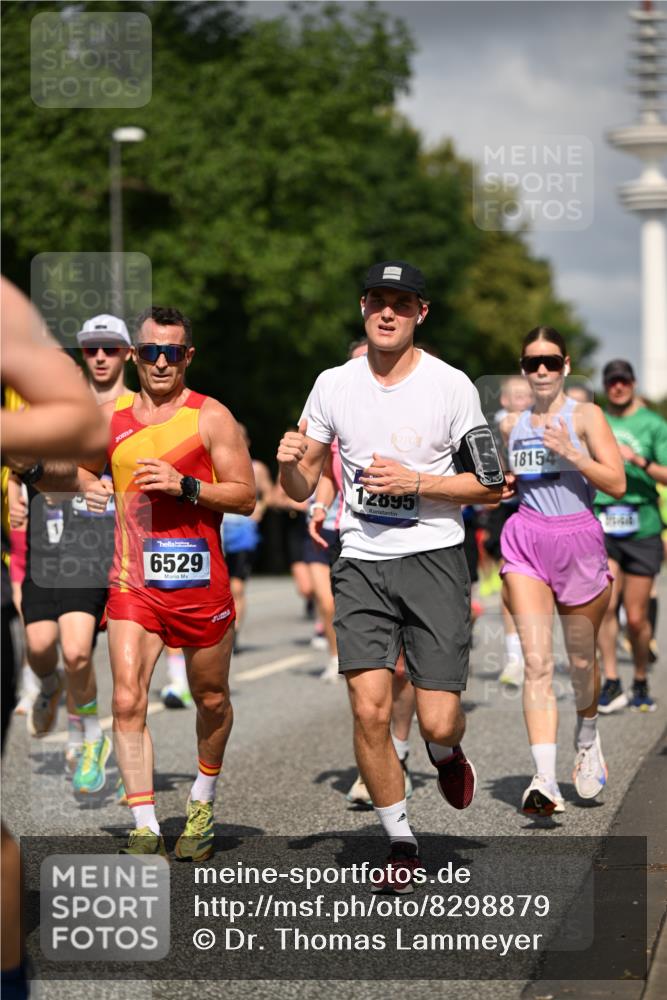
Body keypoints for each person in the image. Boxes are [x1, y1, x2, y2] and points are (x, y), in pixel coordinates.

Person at [278, 260, 508, 892]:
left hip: (435, 558)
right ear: (362, 307)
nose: (388, 312)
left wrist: (418, 482)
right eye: (378, 301)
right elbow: (301, 483)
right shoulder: (332, 384)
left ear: (420, 314)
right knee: (369, 709)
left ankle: (443, 753)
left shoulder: (452, 386)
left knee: (437, 718)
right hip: (360, 562)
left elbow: (491, 484)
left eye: (401, 304)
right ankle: (399, 838)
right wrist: (292, 465)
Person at [78, 306, 255, 858]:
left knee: (212, 698)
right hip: (134, 584)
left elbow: (247, 496)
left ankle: (201, 800)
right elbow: (81, 466)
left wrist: (187, 486)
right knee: (127, 698)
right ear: (135, 354)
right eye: (150, 351)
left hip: (200, 586)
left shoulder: (211, 417)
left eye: (171, 352)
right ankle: (145, 822)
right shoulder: (111, 418)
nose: (160, 362)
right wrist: (90, 485)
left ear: (188, 357)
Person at [1, 277, 107, 1000]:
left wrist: (30, 462)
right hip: (38, 554)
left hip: (87, 555)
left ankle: (9, 981)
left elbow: (83, 432)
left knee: (74, 652)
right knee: (46, 654)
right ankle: (50, 700)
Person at [499, 326, 625, 817]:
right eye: (533, 363)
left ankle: (588, 735)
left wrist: (573, 453)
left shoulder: (587, 415)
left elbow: (615, 482)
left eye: (551, 361)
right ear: (524, 370)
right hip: (527, 538)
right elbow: (516, 481)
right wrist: (507, 483)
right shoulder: (512, 426)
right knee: (537, 662)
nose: (543, 370)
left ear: (566, 365)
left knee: (581, 663)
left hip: (579, 541)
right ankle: (545, 779)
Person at [595, 360, 667, 713]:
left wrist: (638, 461)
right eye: (612, 382)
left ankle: (640, 678)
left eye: (623, 381)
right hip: (603, 522)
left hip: (643, 525)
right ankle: (611, 680)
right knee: (607, 605)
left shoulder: (653, 424)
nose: (617, 388)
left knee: (636, 618)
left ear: (633, 383)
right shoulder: (597, 420)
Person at [222, 423, 273, 655]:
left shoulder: (257, 468)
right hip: (219, 533)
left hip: (243, 534)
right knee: (217, 588)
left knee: (237, 587)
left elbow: (269, 493)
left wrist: (259, 509)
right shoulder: (216, 464)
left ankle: (233, 633)